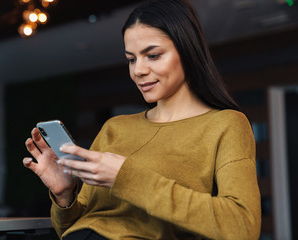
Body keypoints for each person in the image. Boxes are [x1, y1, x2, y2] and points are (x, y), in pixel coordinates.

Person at [23, 0, 261, 239]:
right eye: (131, 59)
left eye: (153, 55)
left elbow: (242, 226)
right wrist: (64, 195)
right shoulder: (114, 128)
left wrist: (125, 178)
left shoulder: (226, 124)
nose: (138, 70)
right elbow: (73, 228)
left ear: (188, 52)